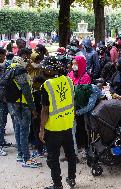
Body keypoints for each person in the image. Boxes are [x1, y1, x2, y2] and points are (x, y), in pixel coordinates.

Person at [39, 57, 76, 189]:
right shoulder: (68, 80)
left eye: (44, 68)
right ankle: (72, 179)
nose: (42, 70)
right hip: (67, 124)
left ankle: (57, 184)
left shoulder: (47, 85)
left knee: (53, 158)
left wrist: (41, 129)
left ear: (50, 69)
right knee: (70, 154)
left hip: (53, 128)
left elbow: (45, 110)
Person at [7, 57, 41, 167]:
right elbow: (27, 93)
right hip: (23, 105)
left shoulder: (9, 70)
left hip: (12, 104)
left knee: (17, 128)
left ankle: (20, 154)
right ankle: (27, 158)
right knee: (24, 132)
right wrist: (33, 109)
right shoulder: (20, 72)